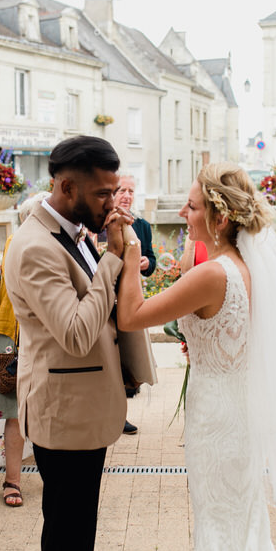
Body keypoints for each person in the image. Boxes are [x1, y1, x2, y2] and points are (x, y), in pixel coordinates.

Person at [117, 163, 276, 551]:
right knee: (240, 516)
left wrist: (131, 251)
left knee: (218, 519)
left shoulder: (213, 275)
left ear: (219, 217)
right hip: (239, 406)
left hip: (218, 418)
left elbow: (131, 315)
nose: (183, 214)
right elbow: (232, 332)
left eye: (192, 207)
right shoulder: (245, 264)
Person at [4, 135, 133, 551]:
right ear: (67, 188)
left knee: (76, 528)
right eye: (102, 193)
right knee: (66, 533)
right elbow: (77, 333)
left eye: (114, 192)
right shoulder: (36, 246)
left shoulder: (72, 231)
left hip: (81, 407)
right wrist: (112, 258)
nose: (111, 204)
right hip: (64, 412)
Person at [0, 193, 47, 508]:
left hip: (45, 335)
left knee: (49, 408)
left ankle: (52, 476)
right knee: (14, 410)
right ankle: (12, 480)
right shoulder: (19, 241)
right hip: (14, 334)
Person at [115, 173, 156, 435]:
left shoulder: (142, 225)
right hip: (105, 296)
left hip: (130, 297)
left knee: (128, 356)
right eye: (122, 190)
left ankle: (121, 415)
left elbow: (151, 260)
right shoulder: (98, 223)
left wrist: (146, 264)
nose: (127, 195)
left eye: (131, 190)